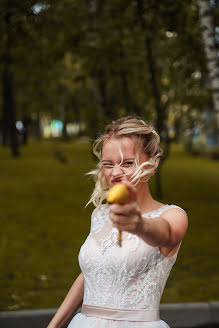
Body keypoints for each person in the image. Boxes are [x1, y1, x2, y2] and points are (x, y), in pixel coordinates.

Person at [47, 116, 188, 328]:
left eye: (128, 163)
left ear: (150, 162)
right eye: (108, 164)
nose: (115, 173)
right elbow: (91, 275)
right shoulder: (100, 214)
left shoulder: (173, 216)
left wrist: (138, 224)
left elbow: (165, 233)